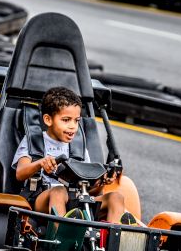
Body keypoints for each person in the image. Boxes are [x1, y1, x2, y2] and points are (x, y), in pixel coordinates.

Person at [12, 87, 136, 224]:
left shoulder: (78, 147)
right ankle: (61, 237)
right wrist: (41, 163)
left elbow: (90, 190)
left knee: (116, 197)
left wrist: (101, 182)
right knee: (59, 191)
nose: (73, 126)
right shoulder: (34, 141)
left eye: (76, 120)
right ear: (48, 120)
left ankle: (113, 239)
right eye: (66, 120)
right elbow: (20, 173)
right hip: (40, 198)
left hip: (75, 199)